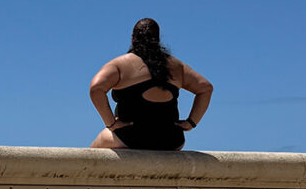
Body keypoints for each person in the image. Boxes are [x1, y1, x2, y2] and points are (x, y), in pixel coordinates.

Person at [88, 18, 213, 151]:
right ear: (158, 39)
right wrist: (191, 122)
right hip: (171, 140)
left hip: (129, 137)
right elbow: (205, 88)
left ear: (133, 38)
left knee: (89, 155)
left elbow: (96, 88)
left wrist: (111, 123)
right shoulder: (177, 66)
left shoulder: (120, 64)